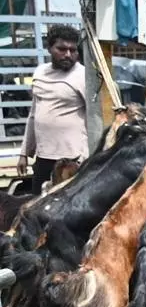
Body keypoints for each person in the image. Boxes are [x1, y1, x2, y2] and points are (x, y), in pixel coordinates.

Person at [21, 24, 88, 195]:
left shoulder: (83, 76)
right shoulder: (40, 73)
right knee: (37, 208)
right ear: (49, 48)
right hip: (44, 158)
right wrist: (24, 153)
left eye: (73, 50)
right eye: (62, 49)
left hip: (73, 160)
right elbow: (34, 116)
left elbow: (96, 118)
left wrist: (88, 156)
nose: (68, 54)